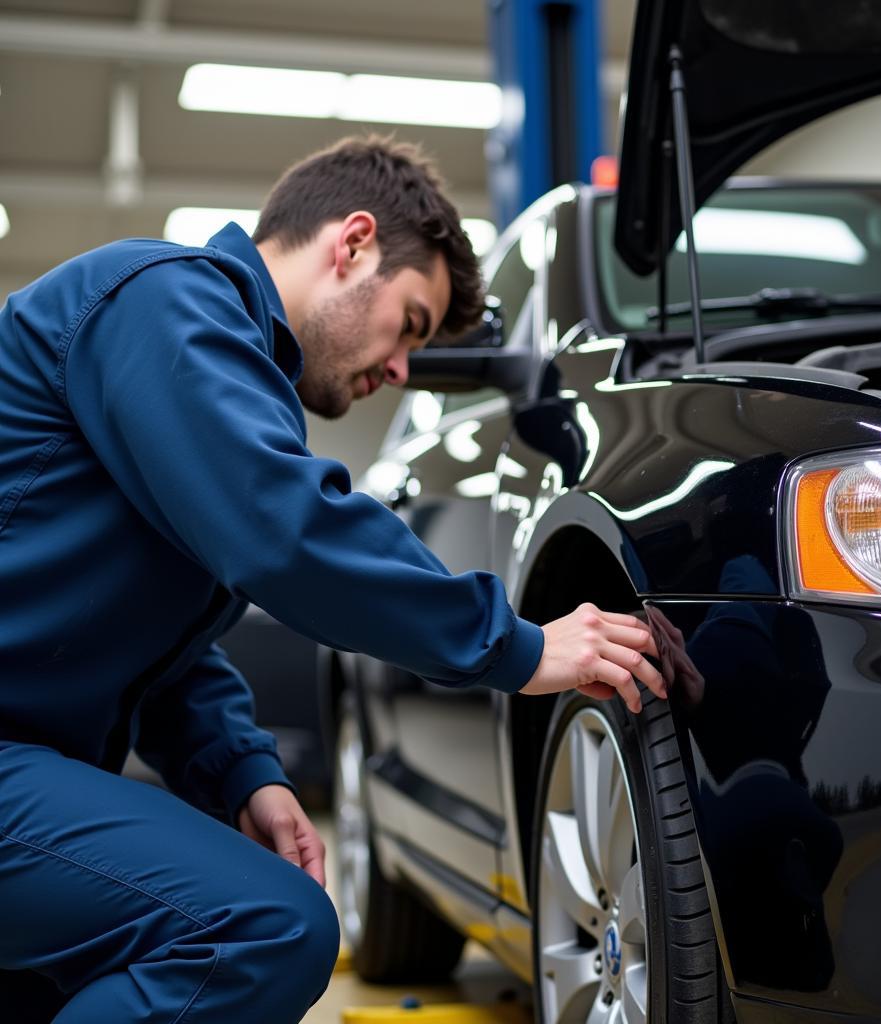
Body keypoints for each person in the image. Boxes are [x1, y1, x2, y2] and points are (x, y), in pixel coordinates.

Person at [0, 135, 666, 1023]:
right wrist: (520, 644)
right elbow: (285, 530)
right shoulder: (164, 299)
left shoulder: (218, 375)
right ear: (352, 243)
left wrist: (246, 776)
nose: (400, 372)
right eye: (411, 325)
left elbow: (161, 651)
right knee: (264, 926)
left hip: (26, 764)